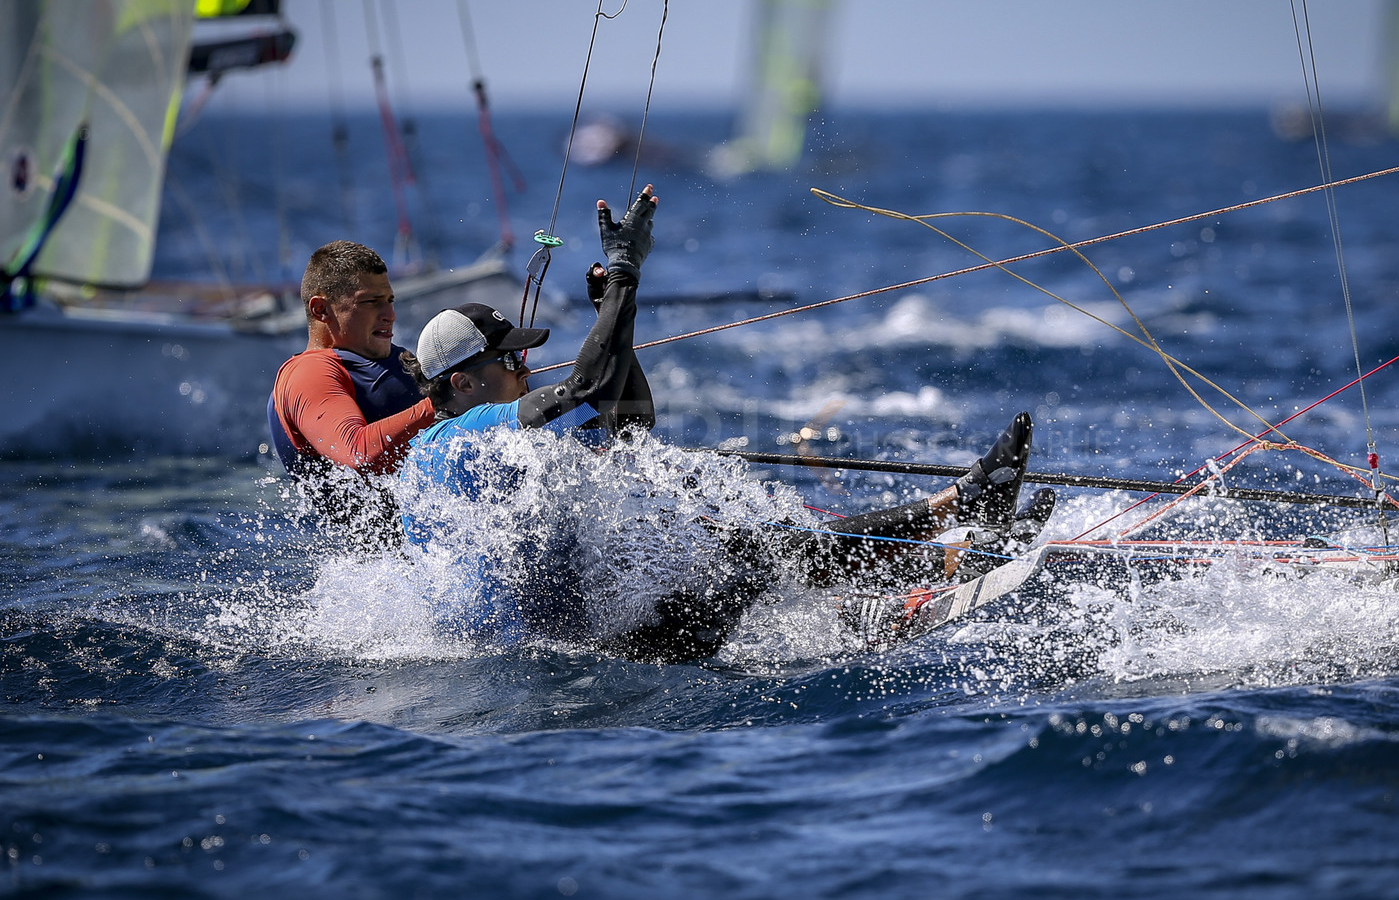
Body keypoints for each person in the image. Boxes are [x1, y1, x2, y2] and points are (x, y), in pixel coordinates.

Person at [398, 185, 1050, 661]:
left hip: (580, 640)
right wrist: (623, 279)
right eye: (512, 357)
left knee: (732, 547)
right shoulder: (458, 439)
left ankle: (956, 519)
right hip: (548, 660)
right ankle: (942, 550)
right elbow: (590, 384)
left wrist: (614, 318)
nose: (524, 365)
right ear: (461, 380)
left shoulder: (491, 435)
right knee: (744, 559)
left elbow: (629, 423)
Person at [267, 241, 434, 522]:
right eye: (371, 302)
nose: (390, 315)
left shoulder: (397, 357)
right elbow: (357, 454)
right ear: (321, 310)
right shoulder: (309, 374)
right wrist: (443, 404)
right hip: (390, 561)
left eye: (390, 300)